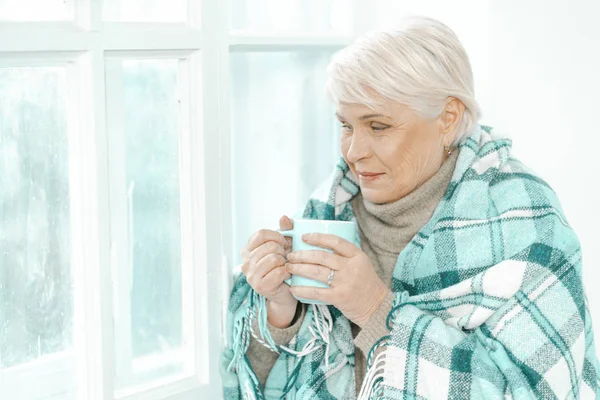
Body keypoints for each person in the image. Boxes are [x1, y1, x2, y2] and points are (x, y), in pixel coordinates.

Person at [221, 16, 600, 399]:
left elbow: (542, 392)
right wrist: (283, 311)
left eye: (378, 126)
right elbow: (262, 377)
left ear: (448, 119)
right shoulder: (330, 207)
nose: (353, 152)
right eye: (346, 125)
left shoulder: (526, 220)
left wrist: (376, 309)